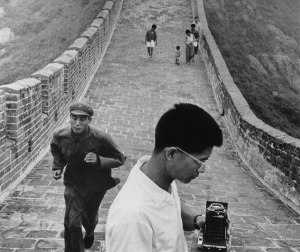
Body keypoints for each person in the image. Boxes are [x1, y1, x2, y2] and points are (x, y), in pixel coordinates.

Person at [106, 103, 232, 252]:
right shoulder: (132, 219)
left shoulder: (158, 176)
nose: (202, 170)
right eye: (200, 161)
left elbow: (170, 206)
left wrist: (197, 220)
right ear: (172, 154)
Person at [50, 102, 126, 252]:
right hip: (73, 183)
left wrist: (99, 160)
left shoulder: (101, 138)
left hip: (96, 185)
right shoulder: (60, 135)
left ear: (89, 120)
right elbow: (56, 149)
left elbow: (120, 158)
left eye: (82, 119)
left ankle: (90, 231)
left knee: (89, 219)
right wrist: (58, 166)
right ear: (70, 117)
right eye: (74, 118)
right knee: (72, 223)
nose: (77, 123)